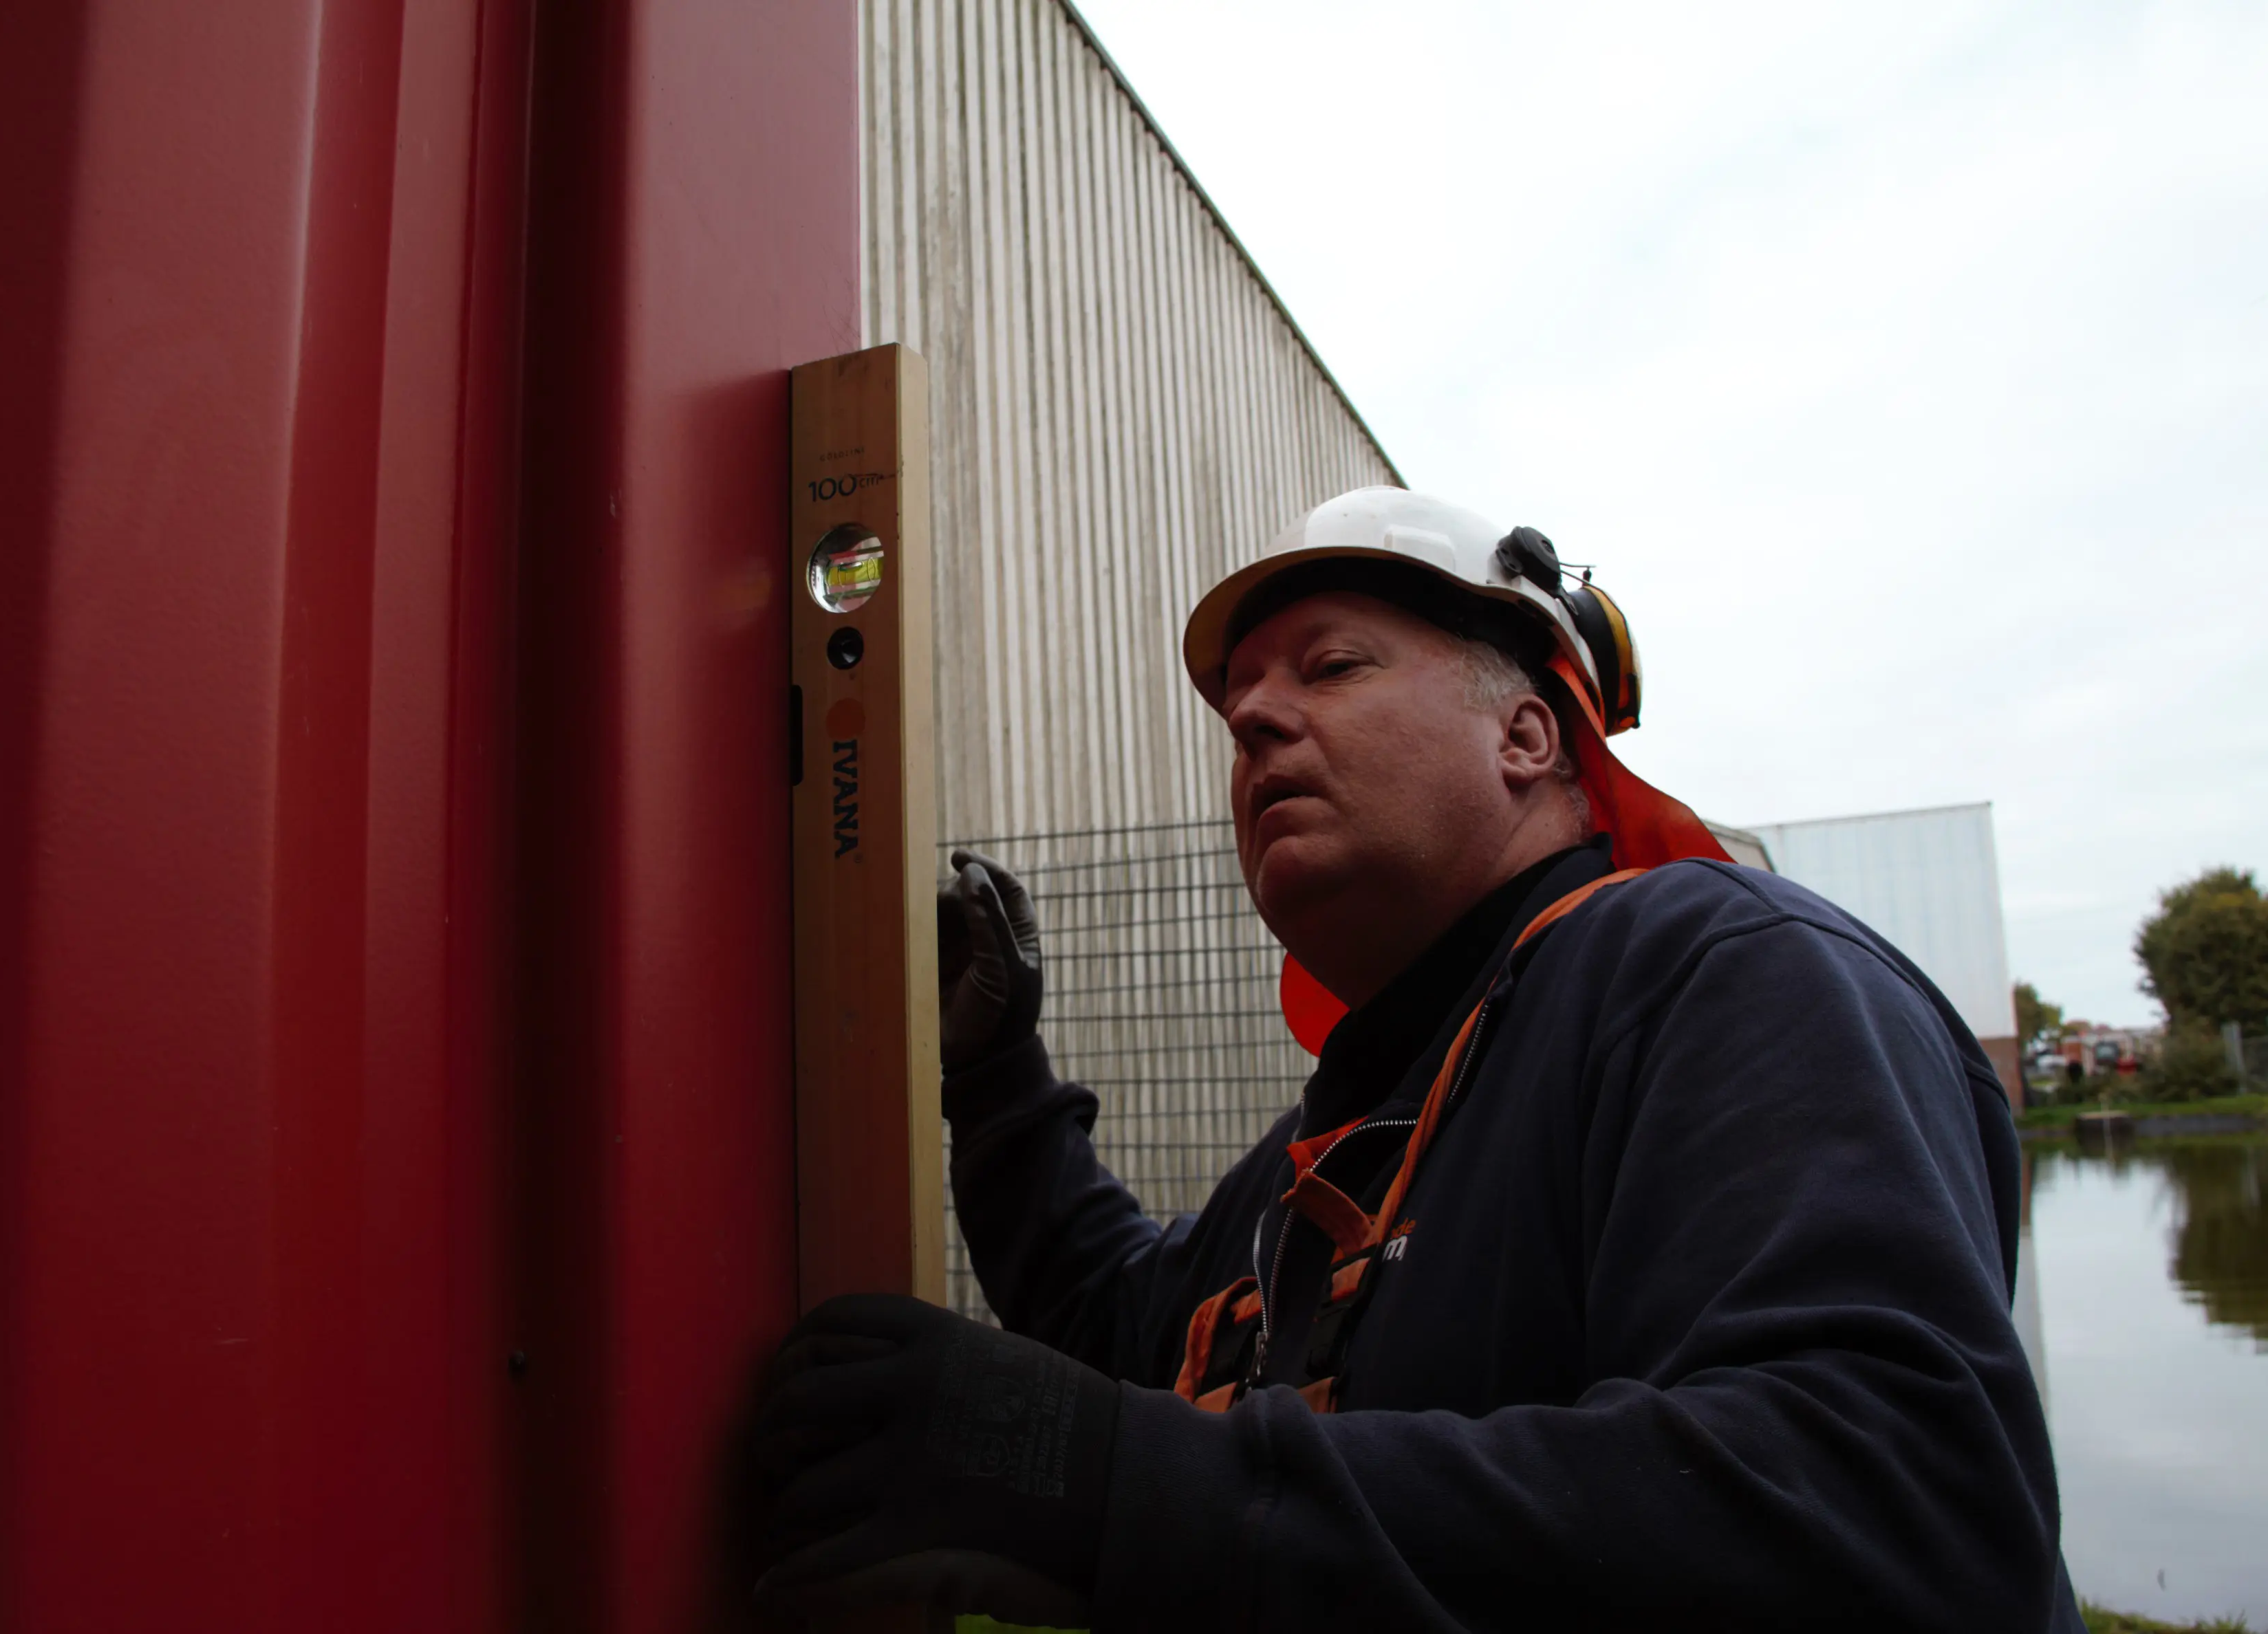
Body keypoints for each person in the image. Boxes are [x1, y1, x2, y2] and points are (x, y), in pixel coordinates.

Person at [751, 488, 2080, 1632]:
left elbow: (1880, 1512)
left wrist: (1126, 1489)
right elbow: (1127, 1326)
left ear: (1527, 738)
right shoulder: (1360, 1129)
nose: (1254, 719)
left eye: (1330, 667)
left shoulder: (1722, 971)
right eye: (1240, 705)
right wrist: (995, 1076)